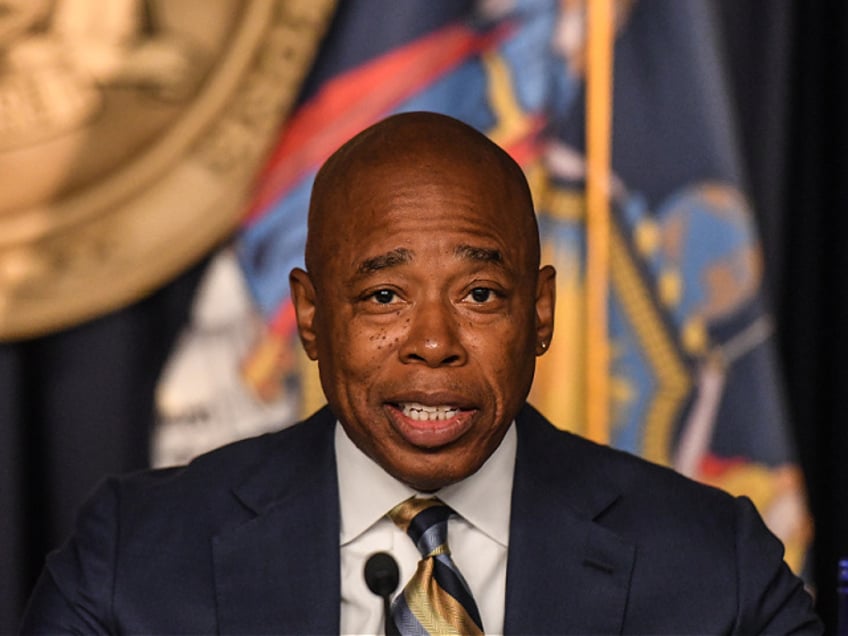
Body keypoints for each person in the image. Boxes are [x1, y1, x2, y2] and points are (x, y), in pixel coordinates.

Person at [21, 112, 821, 634]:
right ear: (309, 317)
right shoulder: (135, 561)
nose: (433, 342)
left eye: (479, 294)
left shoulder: (716, 571)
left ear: (539, 313)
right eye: (383, 296)